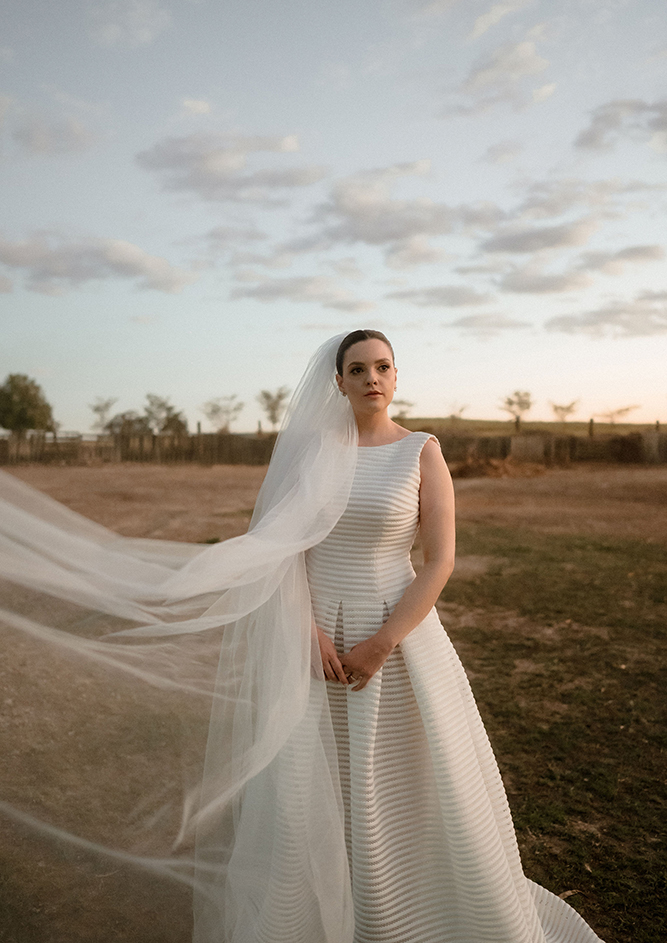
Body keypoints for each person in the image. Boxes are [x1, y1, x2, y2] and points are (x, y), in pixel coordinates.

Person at [0, 330, 605, 943]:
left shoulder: (422, 451)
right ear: (338, 382)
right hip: (313, 640)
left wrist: (383, 642)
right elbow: (277, 550)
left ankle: (410, 909)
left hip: (397, 641)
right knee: (313, 786)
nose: (372, 377)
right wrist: (306, 630)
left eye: (383, 366)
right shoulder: (314, 451)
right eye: (358, 368)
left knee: (408, 785)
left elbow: (440, 560)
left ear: (396, 378)